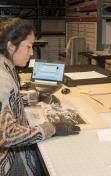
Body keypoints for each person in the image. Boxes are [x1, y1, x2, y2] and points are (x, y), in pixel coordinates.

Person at [0, 17, 80, 176]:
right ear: (10, 45)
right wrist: (52, 128)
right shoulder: (2, 79)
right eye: (28, 47)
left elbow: (9, 101)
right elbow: (7, 135)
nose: (31, 53)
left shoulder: (5, 65)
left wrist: (36, 97)